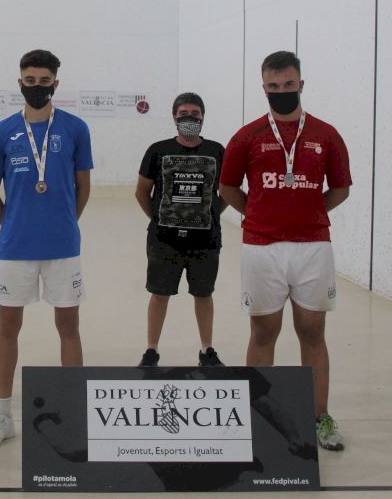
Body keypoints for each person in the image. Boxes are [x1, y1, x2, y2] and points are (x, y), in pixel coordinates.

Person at [218, 51, 351, 451]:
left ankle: (319, 417)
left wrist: (309, 213)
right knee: (263, 332)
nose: (281, 91)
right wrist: (258, 215)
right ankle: (257, 420)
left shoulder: (326, 135)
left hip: (313, 248)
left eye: (288, 85)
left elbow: (340, 189)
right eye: (273, 86)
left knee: (312, 331)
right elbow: (228, 188)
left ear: (301, 85)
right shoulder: (247, 136)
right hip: (262, 248)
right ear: (264, 88)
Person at [0, 49, 93, 448]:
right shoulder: (2, 131)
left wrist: (64, 222)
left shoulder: (75, 128)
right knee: (8, 327)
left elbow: (83, 187)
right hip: (15, 249)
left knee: (69, 327)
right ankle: (2, 415)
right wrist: (12, 223)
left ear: (55, 83)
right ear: (20, 83)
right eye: (30, 81)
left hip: (63, 248)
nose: (37, 87)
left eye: (44, 81)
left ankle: (74, 412)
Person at [135, 92, 226, 368]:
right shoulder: (157, 150)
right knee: (159, 294)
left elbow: (226, 193)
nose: (189, 119)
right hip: (164, 241)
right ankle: (151, 351)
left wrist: (209, 214)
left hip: (205, 241)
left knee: (204, 295)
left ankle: (207, 350)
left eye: (195, 114)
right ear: (174, 117)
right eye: (183, 114)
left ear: (203, 117)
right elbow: (141, 192)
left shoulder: (217, 151)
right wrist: (160, 218)